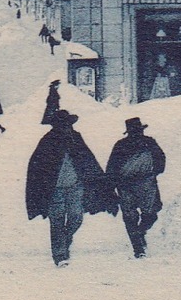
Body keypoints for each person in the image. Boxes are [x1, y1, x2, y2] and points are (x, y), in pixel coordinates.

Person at [25, 110, 115, 266]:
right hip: (54, 190)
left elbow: (89, 160)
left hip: (75, 186)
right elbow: (36, 165)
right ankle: (59, 255)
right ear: (57, 126)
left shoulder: (76, 139)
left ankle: (64, 240)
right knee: (57, 220)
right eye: (64, 125)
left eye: (68, 124)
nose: (67, 127)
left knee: (76, 218)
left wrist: (101, 183)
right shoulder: (48, 141)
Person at [106, 116, 167, 258]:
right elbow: (112, 166)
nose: (138, 134)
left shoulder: (149, 143)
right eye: (135, 131)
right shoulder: (121, 145)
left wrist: (154, 172)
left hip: (144, 182)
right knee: (130, 216)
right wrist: (112, 185)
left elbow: (160, 158)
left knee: (150, 213)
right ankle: (138, 248)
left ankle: (139, 233)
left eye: (138, 131)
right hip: (127, 185)